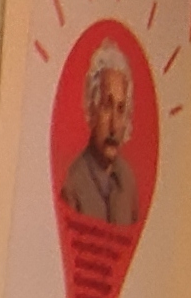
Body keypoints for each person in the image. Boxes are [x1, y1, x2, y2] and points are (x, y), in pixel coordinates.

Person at [59, 44, 140, 226]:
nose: (114, 125)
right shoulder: (73, 184)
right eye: (106, 106)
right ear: (92, 109)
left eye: (120, 109)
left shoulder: (128, 182)